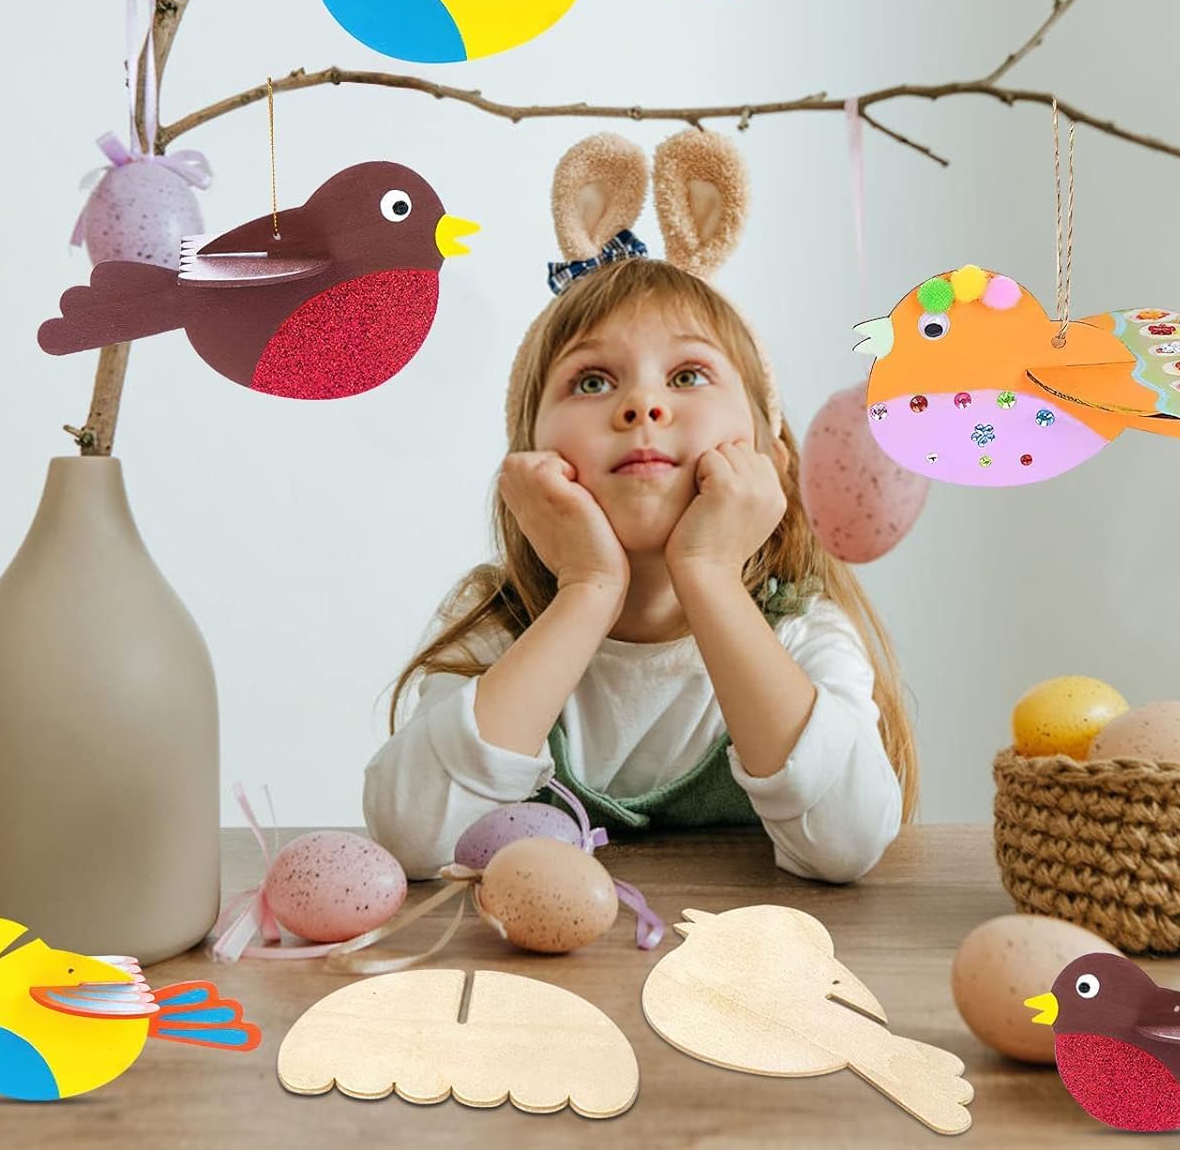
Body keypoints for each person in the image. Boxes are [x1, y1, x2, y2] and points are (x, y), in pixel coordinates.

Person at [363, 132, 918, 884]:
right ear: (527, 465)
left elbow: (847, 843)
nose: (643, 404)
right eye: (592, 382)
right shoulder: (501, 625)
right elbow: (413, 835)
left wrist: (710, 574)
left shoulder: (801, 631)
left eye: (689, 374)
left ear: (771, 457)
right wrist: (588, 589)